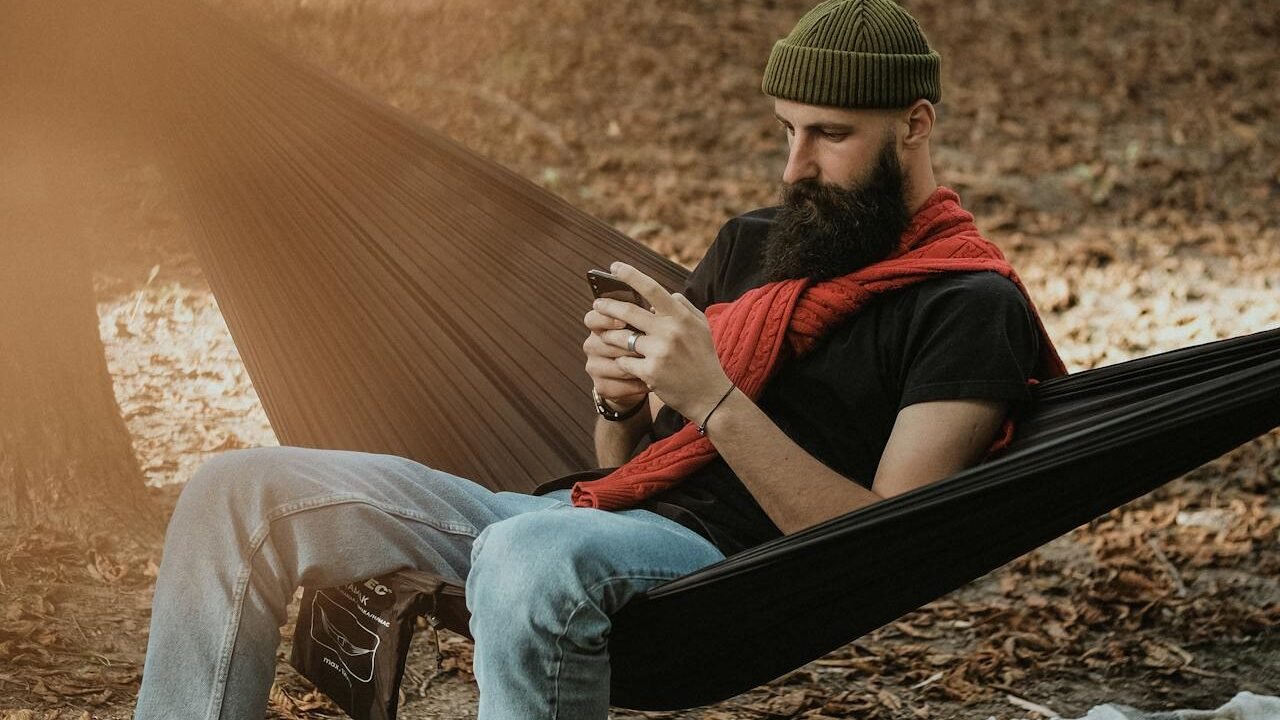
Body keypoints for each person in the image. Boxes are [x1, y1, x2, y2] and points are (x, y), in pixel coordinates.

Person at [133, 0, 1063, 718]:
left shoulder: (968, 307)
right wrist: (619, 402)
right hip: (576, 515)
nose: (794, 167)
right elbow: (627, 470)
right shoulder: (756, 244)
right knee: (236, 490)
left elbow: (886, 547)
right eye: (787, 130)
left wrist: (716, 402)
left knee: (526, 554)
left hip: (734, 571)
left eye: (829, 134)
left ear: (915, 124)